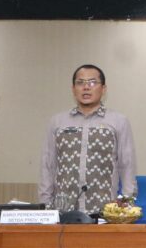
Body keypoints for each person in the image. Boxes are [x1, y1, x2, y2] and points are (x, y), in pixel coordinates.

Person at [39, 64, 137, 213]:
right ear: (73, 89)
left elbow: (127, 165)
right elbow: (48, 166)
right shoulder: (57, 122)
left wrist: (126, 204)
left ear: (103, 89)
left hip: (104, 211)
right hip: (63, 211)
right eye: (80, 83)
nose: (86, 87)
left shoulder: (118, 121)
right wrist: (44, 206)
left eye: (92, 82)